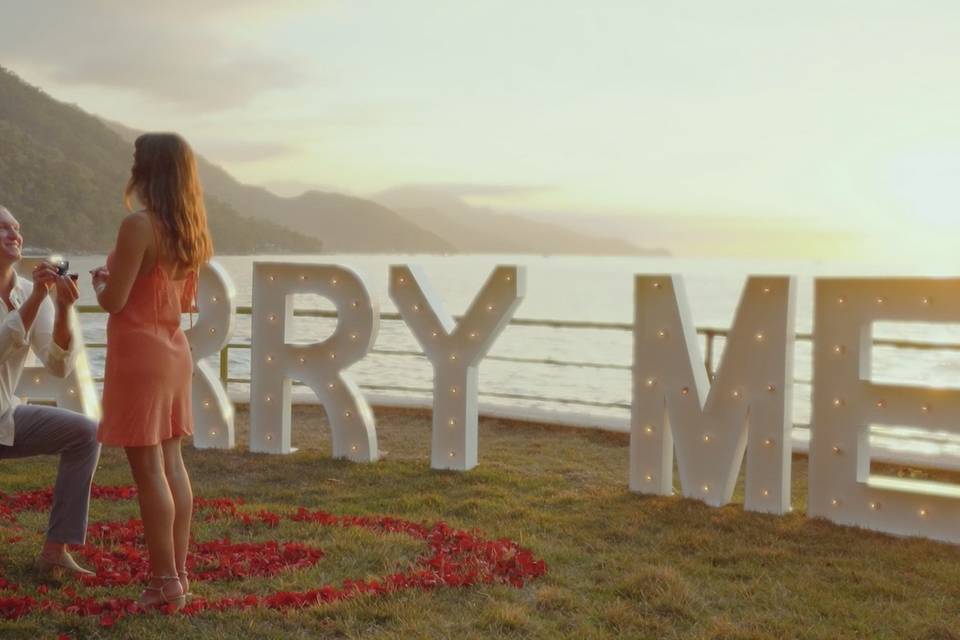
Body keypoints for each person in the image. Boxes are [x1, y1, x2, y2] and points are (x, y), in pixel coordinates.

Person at [92, 133, 211, 610]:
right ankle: (177, 575)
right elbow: (183, 301)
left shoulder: (138, 225)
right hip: (173, 351)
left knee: (148, 473)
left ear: (149, 170)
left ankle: (163, 582)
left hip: (139, 355)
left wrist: (101, 281)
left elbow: (115, 301)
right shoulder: (191, 230)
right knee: (173, 464)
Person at [0, 205, 100, 578]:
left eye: (17, 228)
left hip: (4, 416)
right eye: (3, 229)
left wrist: (61, 307)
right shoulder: (31, 295)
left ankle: (55, 552)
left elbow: (58, 365)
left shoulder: (30, 291)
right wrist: (37, 298)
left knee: (87, 433)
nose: (15, 235)